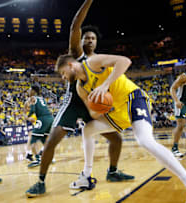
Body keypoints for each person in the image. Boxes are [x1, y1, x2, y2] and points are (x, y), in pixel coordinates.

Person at [53, 53, 186, 202]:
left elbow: (125, 61)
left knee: (145, 140)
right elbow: (93, 113)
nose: (63, 77)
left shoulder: (92, 63)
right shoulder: (81, 88)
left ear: (70, 64)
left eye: (62, 73)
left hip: (133, 98)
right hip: (117, 112)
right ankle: (86, 177)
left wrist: (105, 85)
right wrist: (98, 107)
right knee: (87, 129)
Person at [26, 0, 133, 197]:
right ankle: (40, 182)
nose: (90, 40)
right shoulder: (77, 55)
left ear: (96, 42)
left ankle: (113, 171)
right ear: (81, 41)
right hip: (74, 103)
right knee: (52, 141)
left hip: (93, 104)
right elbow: (75, 25)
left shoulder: (99, 61)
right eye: (87, 38)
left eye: (93, 38)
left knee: (116, 139)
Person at [24, 85, 54, 168]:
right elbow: (25, 110)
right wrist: (27, 117)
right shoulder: (40, 99)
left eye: (29, 89)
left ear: (33, 91)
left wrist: (27, 116)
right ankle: (30, 154)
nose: (28, 91)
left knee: (36, 138)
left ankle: (37, 156)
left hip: (39, 119)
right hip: (40, 118)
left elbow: (31, 110)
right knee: (37, 137)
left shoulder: (33, 99)